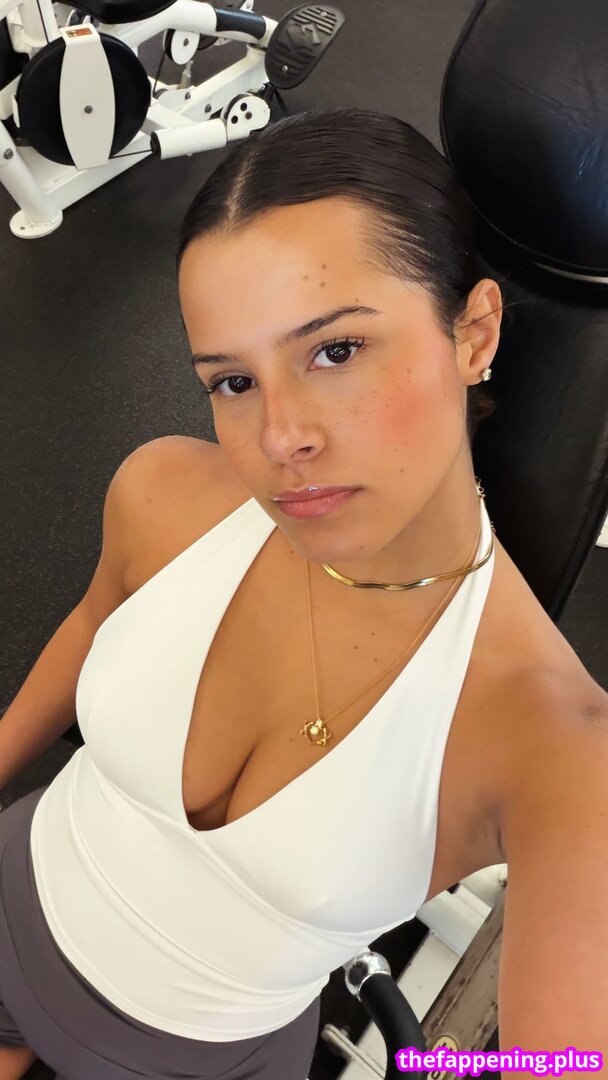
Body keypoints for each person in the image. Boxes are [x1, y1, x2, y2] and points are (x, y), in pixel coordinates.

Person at [0, 108, 607, 1080]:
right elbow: (90, 624)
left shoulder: (555, 746)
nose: (280, 438)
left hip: (209, 1057)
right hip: (17, 893)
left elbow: (568, 1057)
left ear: (473, 332)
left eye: (335, 350)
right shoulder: (164, 492)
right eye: (233, 382)